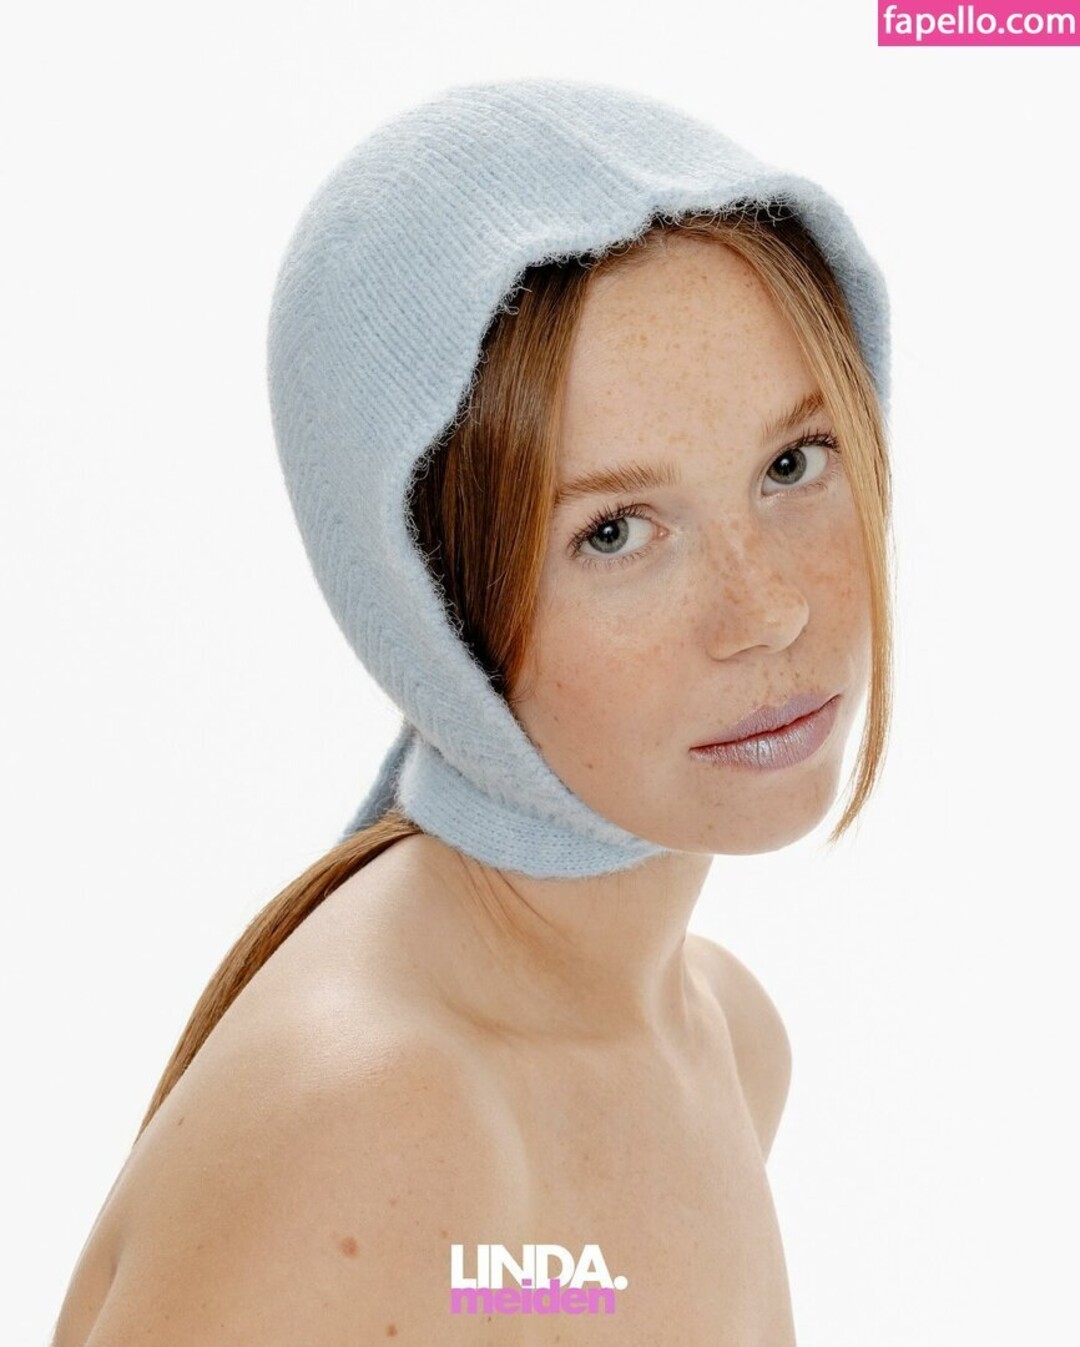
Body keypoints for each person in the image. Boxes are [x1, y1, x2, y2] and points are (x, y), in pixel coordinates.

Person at [49, 76, 892, 1345]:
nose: (767, 609)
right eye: (615, 531)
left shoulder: (726, 1043)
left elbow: (537, 1291)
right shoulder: (375, 1128)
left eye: (792, 463)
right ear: (428, 606)